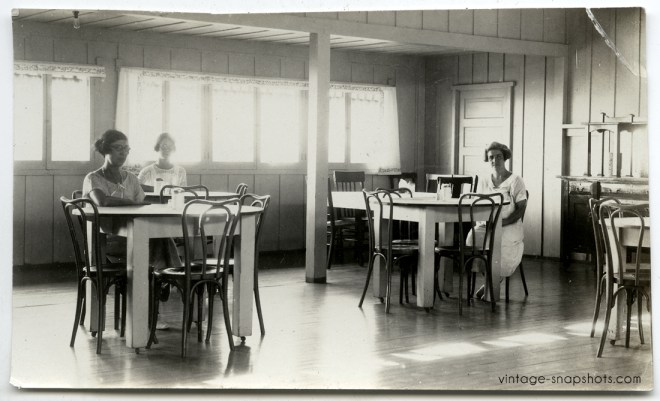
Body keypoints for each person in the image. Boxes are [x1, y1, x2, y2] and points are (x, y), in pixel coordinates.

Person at [83, 129, 179, 329]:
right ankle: (166, 279)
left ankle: (158, 288)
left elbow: (144, 208)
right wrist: (132, 203)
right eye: (118, 148)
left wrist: (138, 204)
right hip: (108, 243)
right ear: (105, 149)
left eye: (126, 149)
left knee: (160, 238)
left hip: (136, 238)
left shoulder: (132, 179)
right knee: (160, 242)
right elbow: (103, 201)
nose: (123, 153)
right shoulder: (94, 178)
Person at [468, 141, 527, 298]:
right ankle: (490, 280)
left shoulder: (515, 180)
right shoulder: (484, 180)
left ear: (505, 158)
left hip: (509, 225)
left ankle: (493, 283)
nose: (495, 160)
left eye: (498, 157)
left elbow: (521, 208)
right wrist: (485, 223)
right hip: (486, 224)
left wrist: (503, 222)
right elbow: (478, 203)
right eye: (491, 157)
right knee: (471, 239)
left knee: (499, 243)